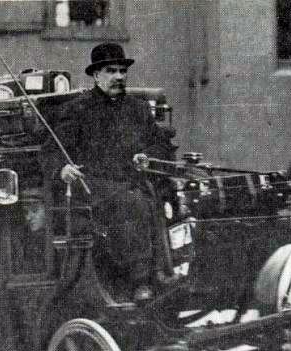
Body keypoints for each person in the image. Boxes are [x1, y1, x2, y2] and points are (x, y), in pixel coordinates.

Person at [41, 42, 175, 301]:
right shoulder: (77, 110)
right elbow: (51, 150)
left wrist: (148, 156)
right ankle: (140, 282)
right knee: (132, 203)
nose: (118, 77)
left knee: (164, 199)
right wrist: (63, 169)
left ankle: (166, 271)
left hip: (134, 181)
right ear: (96, 75)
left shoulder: (138, 109)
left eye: (122, 72)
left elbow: (160, 143)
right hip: (94, 187)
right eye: (111, 71)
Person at [15, 187, 47, 273]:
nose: (28, 217)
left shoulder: (56, 237)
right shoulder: (23, 238)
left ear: (47, 210)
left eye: (34, 210)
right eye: (26, 212)